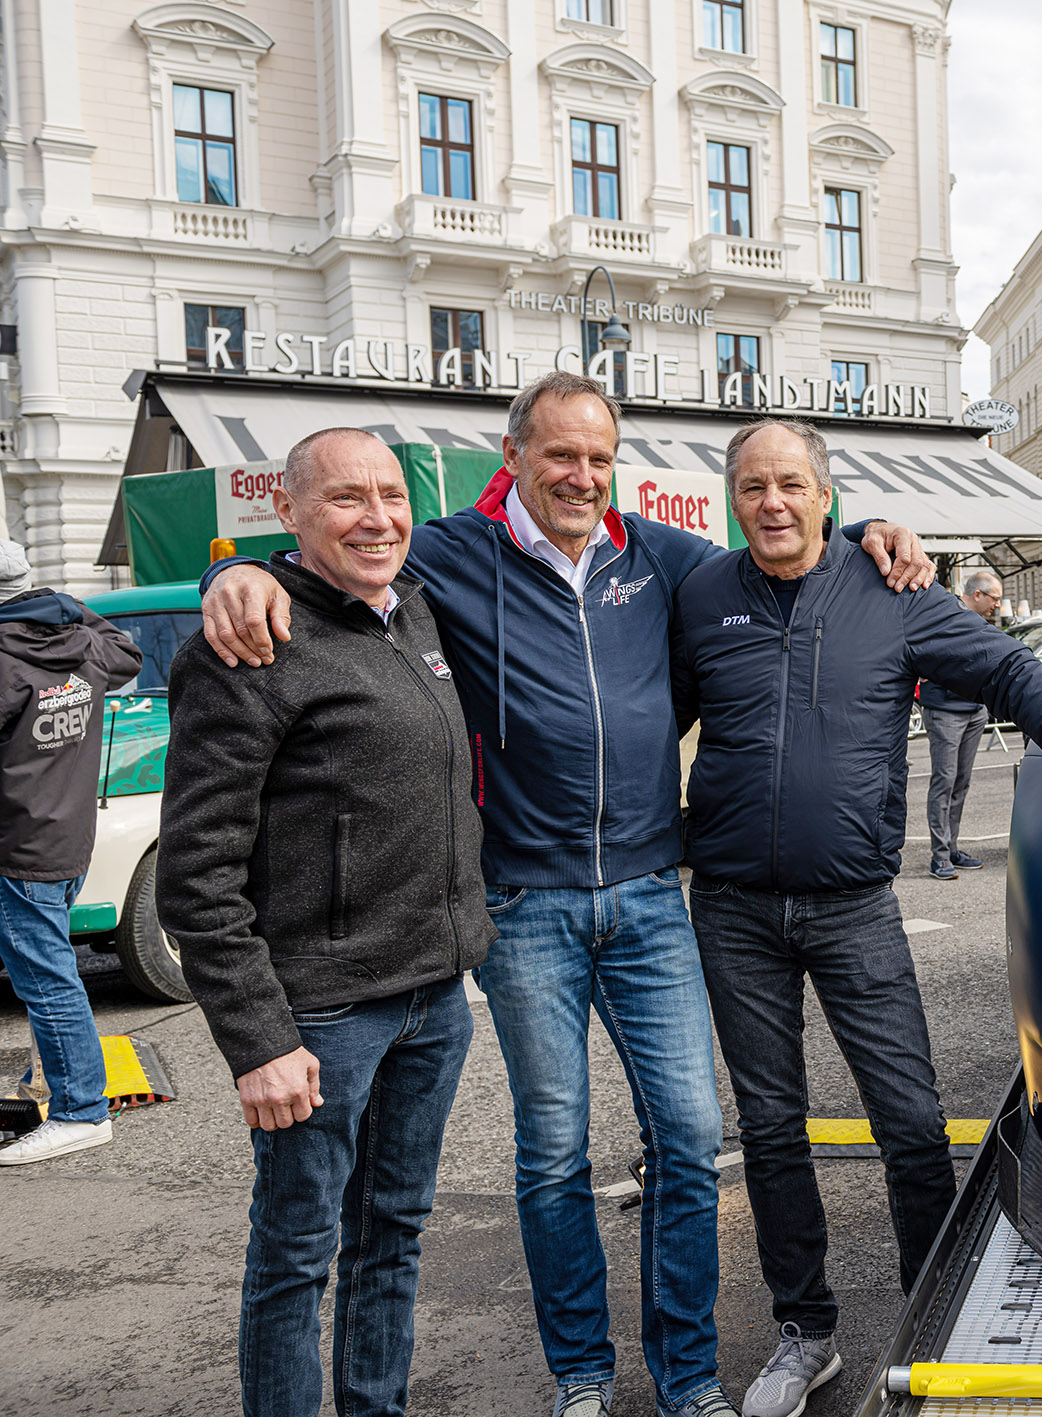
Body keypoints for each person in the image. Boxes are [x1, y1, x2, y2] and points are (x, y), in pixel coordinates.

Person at [196, 373, 931, 1417]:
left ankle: (684, 1381)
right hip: (524, 904)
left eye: (598, 457)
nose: (581, 475)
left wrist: (870, 530)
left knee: (685, 1138)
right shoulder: (447, 553)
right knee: (552, 1152)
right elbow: (339, 562)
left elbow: (779, 550)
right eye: (559, 456)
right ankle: (580, 1375)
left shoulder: (662, 558)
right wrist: (242, 576)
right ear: (515, 458)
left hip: (645, 894)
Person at [671, 418, 1042, 1417]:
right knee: (768, 1128)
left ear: (826, 495)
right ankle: (804, 1332)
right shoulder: (701, 594)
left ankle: (923, 1326)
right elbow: (642, 718)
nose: (772, 501)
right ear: (733, 496)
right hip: (729, 906)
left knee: (905, 1121)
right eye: (754, 484)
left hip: (852, 904)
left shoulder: (892, 590)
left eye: (792, 483)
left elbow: (1012, 670)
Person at [159, 429, 494, 1417]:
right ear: (289, 514)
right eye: (346, 498)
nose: (378, 517)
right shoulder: (248, 646)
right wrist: (259, 1040)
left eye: (391, 494)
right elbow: (198, 873)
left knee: (392, 1236)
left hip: (434, 998)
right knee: (297, 1254)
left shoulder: (413, 614)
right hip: (324, 1021)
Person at [0, 538, 142, 1165]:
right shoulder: (83, 644)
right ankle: (68, 1091)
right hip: (67, 836)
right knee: (46, 970)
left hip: (19, 847)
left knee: (47, 980)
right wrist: (62, 605)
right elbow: (127, 650)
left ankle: (81, 1109)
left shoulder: (4, 660)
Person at [917, 570, 1003, 879]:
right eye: (995, 599)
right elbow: (915, 643)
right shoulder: (943, 611)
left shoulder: (982, 622)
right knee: (945, 780)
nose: (998, 606)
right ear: (977, 595)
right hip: (944, 709)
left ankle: (951, 847)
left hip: (973, 708)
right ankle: (939, 856)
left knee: (961, 782)